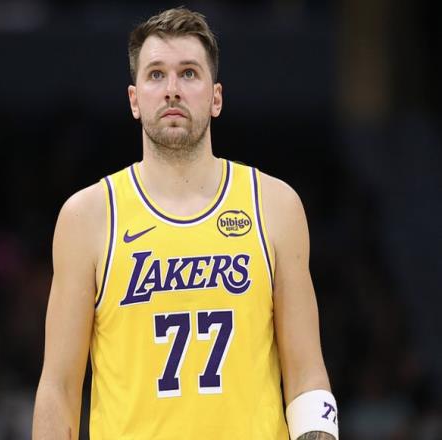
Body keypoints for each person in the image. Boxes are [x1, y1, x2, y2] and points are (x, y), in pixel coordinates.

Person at [32, 7, 338, 440]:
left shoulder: (275, 205)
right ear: (134, 99)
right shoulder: (87, 217)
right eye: (156, 75)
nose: (172, 89)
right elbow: (58, 389)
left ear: (216, 97)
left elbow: (307, 373)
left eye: (189, 73)